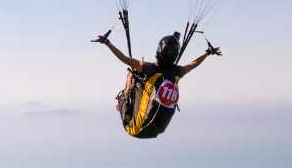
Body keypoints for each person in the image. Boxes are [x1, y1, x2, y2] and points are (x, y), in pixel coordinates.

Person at [92, 26, 220, 138]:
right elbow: (194, 64)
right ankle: (127, 103)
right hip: (158, 130)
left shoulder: (151, 68)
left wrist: (107, 43)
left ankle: (121, 104)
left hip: (136, 129)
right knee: (144, 81)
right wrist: (207, 53)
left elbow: (125, 59)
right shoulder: (178, 72)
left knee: (132, 74)